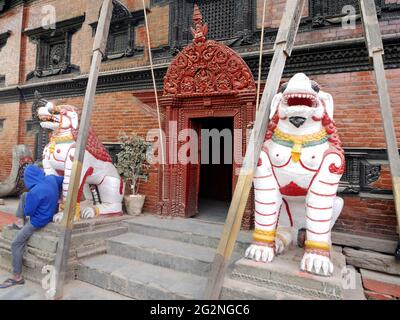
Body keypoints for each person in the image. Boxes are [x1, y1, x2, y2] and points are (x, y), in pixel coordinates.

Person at [0, 165, 63, 289]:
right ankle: (20, 222)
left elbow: (29, 212)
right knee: (24, 195)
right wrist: (59, 196)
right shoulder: (51, 179)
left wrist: (31, 202)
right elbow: (63, 180)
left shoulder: (35, 192)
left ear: (29, 177)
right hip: (51, 210)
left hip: (39, 220)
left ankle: (17, 277)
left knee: (16, 244)